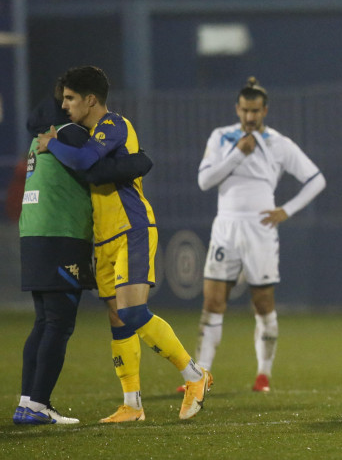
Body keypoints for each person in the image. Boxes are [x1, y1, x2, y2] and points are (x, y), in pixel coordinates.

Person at [37, 65, 212, 422]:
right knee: (119, 319)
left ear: (90, 100)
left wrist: (51, 143)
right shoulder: (88, 135)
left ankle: (195, 376)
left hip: (131, 227)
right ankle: (131, 404)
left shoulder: (114, 124)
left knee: (133, 312)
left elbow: (86, 161)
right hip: (104, 236)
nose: (65, 105)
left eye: (70, 98)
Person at [14, 83, 152, 425]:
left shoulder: (38, 141)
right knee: (58, 324)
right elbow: (92, 168)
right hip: (60, 235)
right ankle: (38, 405)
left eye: (70, 97)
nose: (69, 104)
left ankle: (27, 402)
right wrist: (140, 161)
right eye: (66, 99)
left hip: (33, 234)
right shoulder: (71, 134)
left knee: (44, 321)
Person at [194, 77, 326, 393]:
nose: (250, 117)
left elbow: (316, 179)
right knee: (213, 302)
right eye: (244, 110)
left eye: (255, 111)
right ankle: (200, 376)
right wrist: (238, 154)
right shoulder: (222, 137)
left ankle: (263, 375)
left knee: (262, 302)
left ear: (264, 110)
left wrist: (287, 210)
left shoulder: (280, 143)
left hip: (261, 230)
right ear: (237, 110)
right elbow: (205, 181)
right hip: (225, 226)